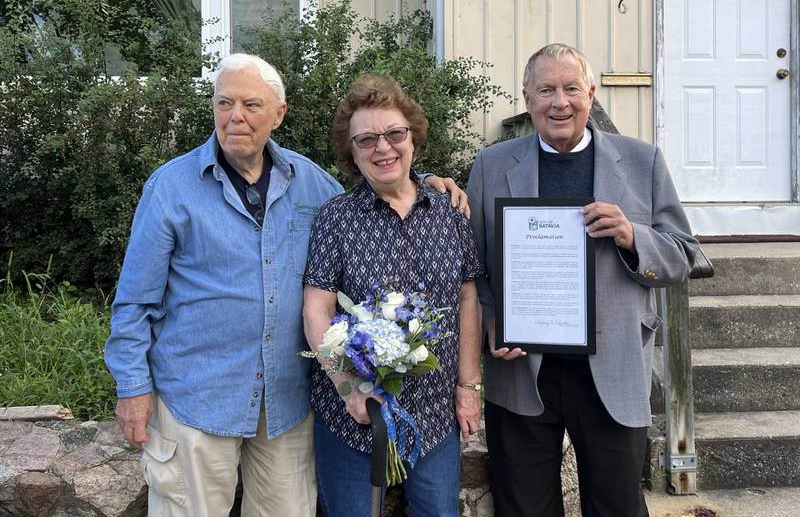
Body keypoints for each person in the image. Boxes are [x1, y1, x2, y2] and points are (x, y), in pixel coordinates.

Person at [103, 54, 468, 517]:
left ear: (278, 114)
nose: (236, 116)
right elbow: (136, 300)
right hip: (197, 398)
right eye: (225, 103)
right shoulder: (171, 188)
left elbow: (375, 191)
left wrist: (425, 185)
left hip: (285, 406)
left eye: (252, 104)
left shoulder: (311, 185)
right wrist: (133, 388)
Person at [466, 43, 699, 517]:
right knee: (524, 506)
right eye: (547, 89)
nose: (560, 102)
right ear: (527, 97)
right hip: (523, 369)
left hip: (612, 368)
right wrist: (492, 316)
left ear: (591, 94)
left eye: (572, 88)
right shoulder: (492, 165)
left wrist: (634, 236)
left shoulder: (642, 162)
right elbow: (473, 264)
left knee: (616, 506)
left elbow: (683, 255)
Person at [302, 74, 484, 517]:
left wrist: (467, 386)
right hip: (355, 415)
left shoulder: (450, 212)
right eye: (366, 139)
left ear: (413, 138)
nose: (383, 148)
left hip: (434, 414)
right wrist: (347, 389)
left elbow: (467, 302)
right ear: (352, 152)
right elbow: (317, 310)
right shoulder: (336, 218)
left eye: (394, 134)